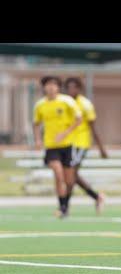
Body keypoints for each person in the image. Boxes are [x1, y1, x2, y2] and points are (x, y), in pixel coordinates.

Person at [33, 76, 82, 218]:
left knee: (69, 180)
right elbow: (36, 123)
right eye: (48, 85)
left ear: (58, 87)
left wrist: (65, 133)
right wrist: (37, 139)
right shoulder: (40, 105)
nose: (51, 87)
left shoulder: (67, 101)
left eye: (54, 85)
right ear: (44, 87)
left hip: (67, 145)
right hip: (51, 146)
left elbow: (79, 119)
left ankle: (65, 205)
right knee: (58, 173)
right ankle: (61, 207)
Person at [65, 77, 107, 215]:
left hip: (80, 144)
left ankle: (65, 206)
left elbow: (93, 128)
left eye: (73, 87)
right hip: (66, 144)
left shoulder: (85, 104)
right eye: (68, 87)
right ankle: (97, 197)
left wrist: (101, 148)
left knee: (71, 175)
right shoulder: (65, 103)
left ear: (79, 88)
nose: (71, 90)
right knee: (72, 175)